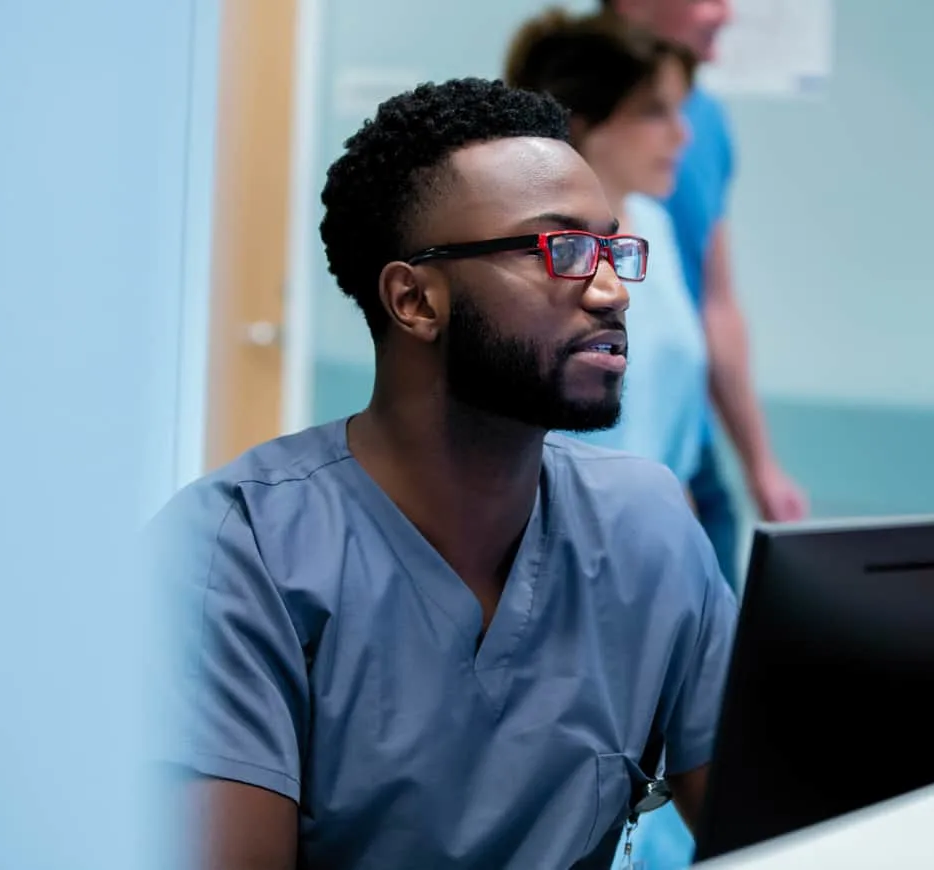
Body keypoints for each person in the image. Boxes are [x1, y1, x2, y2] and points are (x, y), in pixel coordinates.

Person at [150, 78, 738, 870]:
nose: (610, 290)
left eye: (610, 247)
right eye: (560, 250)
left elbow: (775, 834)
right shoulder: (235, 556)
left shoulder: (647, 524)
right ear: (414, 300)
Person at [604, 0, 809, 584]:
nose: (725, 13)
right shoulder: (540, 143)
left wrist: (759, 463)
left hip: (676, 449)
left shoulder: (676, 175)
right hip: (594, 463)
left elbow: (716, 305)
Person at [504, 10, 709, 502]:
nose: (683, 135)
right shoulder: (534, 247)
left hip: (649, 518)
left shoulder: (653, 224)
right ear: (582, 121)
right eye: (654, 111)